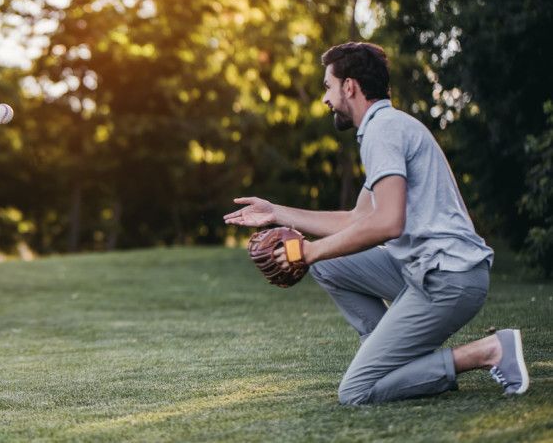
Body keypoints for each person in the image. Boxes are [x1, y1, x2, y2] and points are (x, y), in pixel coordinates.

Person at [224, 42, 529, 405]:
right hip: (426, 269)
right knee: (329, 266)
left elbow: (387, 223)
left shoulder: (382, 131)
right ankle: (389, 357)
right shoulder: (386, 126)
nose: (325, 99)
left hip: (448, 278)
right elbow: (358, 219)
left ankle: (488, 351)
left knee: (356, 391)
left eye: (327, 86)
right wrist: (277, 213)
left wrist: (308, 251)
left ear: (349, 86)